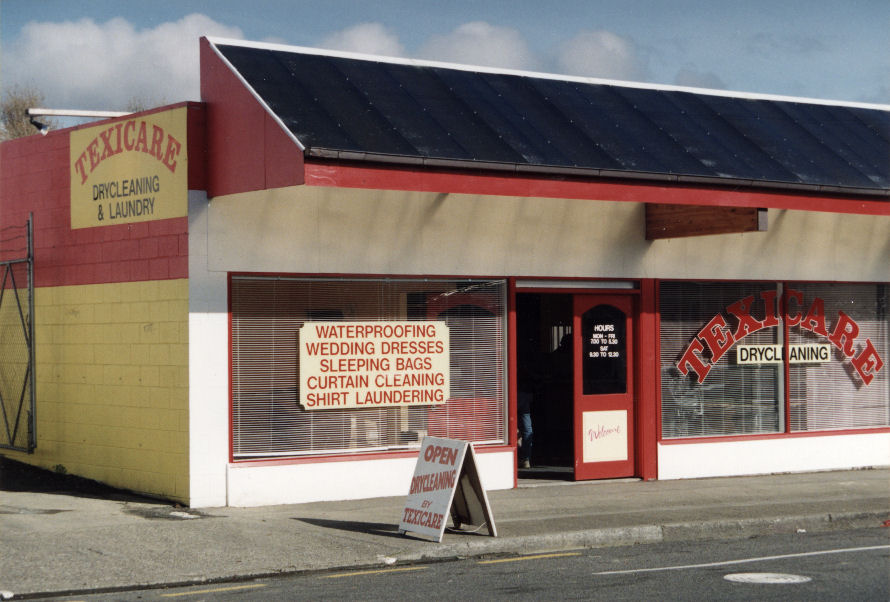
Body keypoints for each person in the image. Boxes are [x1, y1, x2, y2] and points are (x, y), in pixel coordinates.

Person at [518, 390, 533, 468]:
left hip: (514, 391)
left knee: (509, 424)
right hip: (526, 393)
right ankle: (526, 459)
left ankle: (523, 458)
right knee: (527, 429)